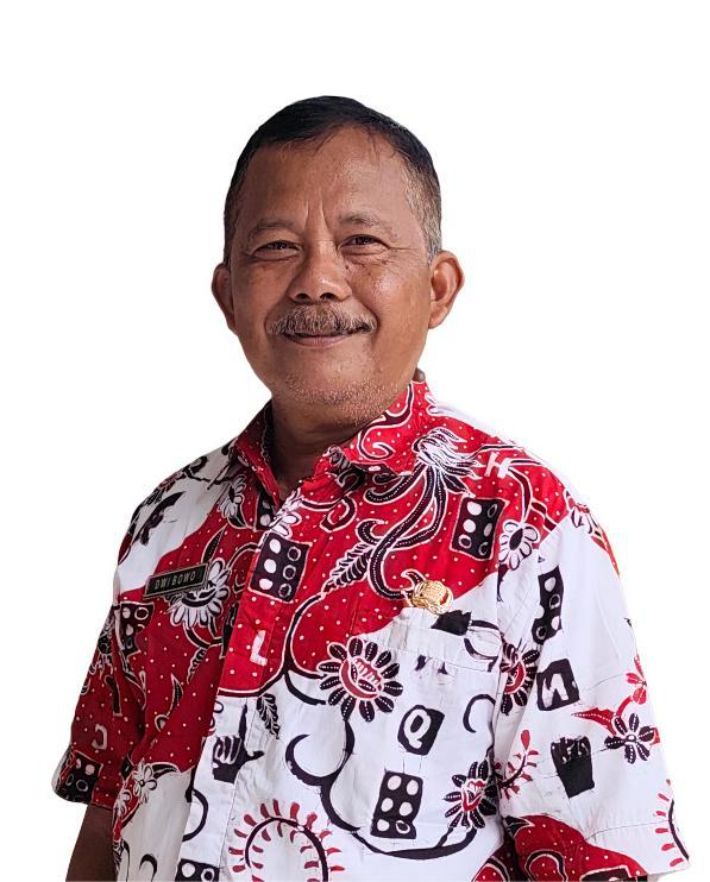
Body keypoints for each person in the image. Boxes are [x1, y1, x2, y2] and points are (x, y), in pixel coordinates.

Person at [52, 95, 690, 881]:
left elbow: (602, 854)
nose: (318, 280)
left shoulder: (527, 527)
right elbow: (108, 806)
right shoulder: (168, 520)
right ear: (227, 296)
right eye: (276, 247)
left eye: (361, 242)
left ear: (438, 288)